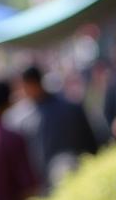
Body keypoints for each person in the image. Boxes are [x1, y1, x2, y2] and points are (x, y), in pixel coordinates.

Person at [7, 64, 97, 192]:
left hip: (73, 174)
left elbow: (90, 142)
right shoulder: (20, 117)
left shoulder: (69, 108)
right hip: (43, 183)